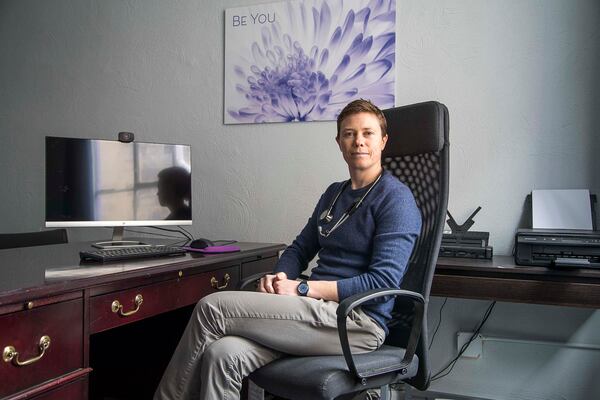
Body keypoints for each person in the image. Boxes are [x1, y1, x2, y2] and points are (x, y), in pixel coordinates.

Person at [154, 99, 422, 399]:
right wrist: (280, 278)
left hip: (357, 322)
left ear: (383, 140)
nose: (358, 141)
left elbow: (383, 283)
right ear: (339, 142)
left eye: (368, 133)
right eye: (349, 133)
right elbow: (298, 249)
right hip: (313, 314)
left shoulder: (396, 199)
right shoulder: (334, 194)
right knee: (223, 353)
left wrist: (303, 290)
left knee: (211, 308)